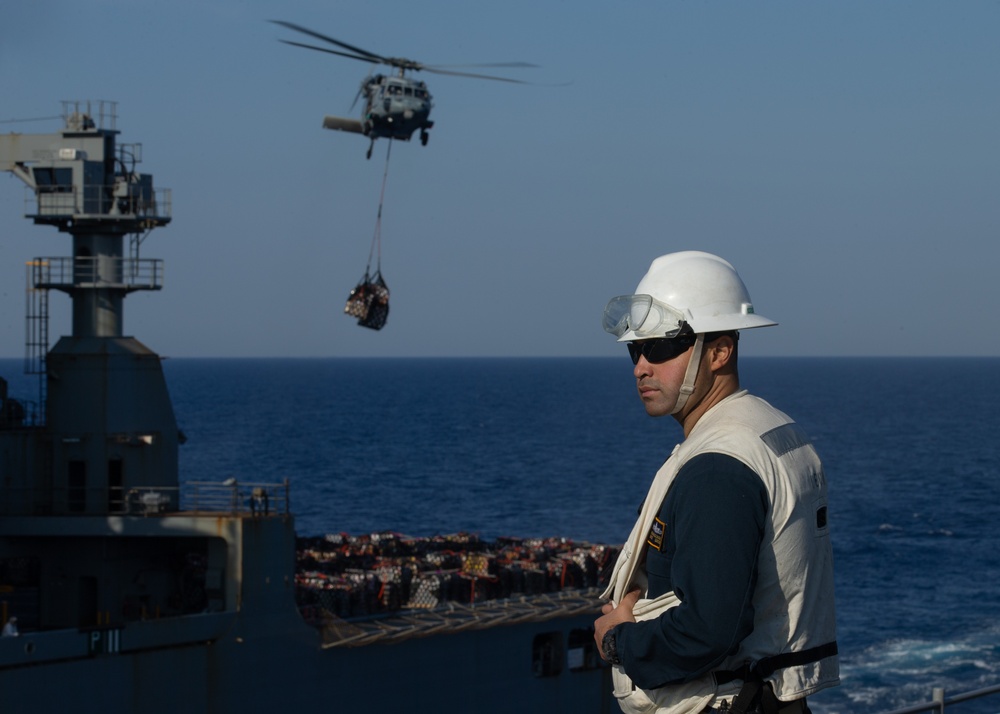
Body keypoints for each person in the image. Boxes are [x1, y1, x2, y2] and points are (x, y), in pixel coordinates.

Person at [594, 251, 838, 714]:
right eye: (635, 349)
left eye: (661, 347)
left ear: (721, 351)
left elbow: (706, 631)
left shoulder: (719, 466)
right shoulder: (772, 427)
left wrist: (617, 641)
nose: (640, 366)